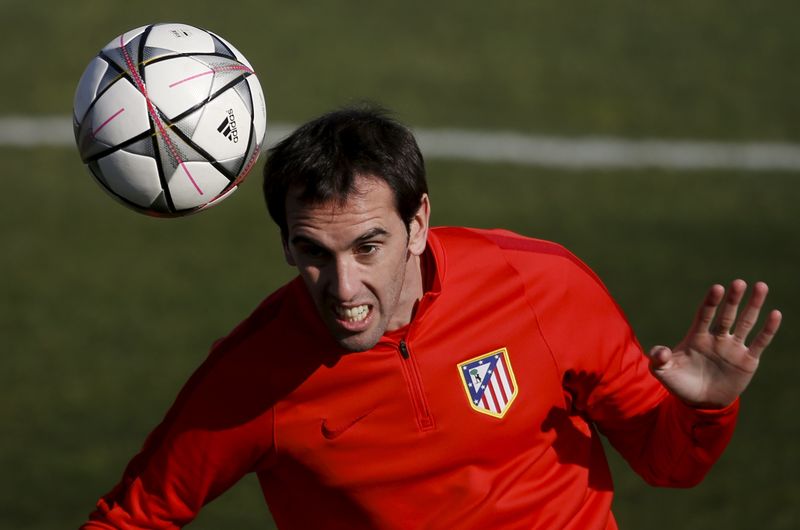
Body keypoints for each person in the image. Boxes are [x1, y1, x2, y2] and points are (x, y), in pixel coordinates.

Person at [82, 104, 782, 530]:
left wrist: (706, 410)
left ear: (418, 223)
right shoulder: (254, 375)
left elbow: (669, 464)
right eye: (313, 252)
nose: (343, 286)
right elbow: (132, 517)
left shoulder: (541, 286)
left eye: (368, 246)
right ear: (285, 243)